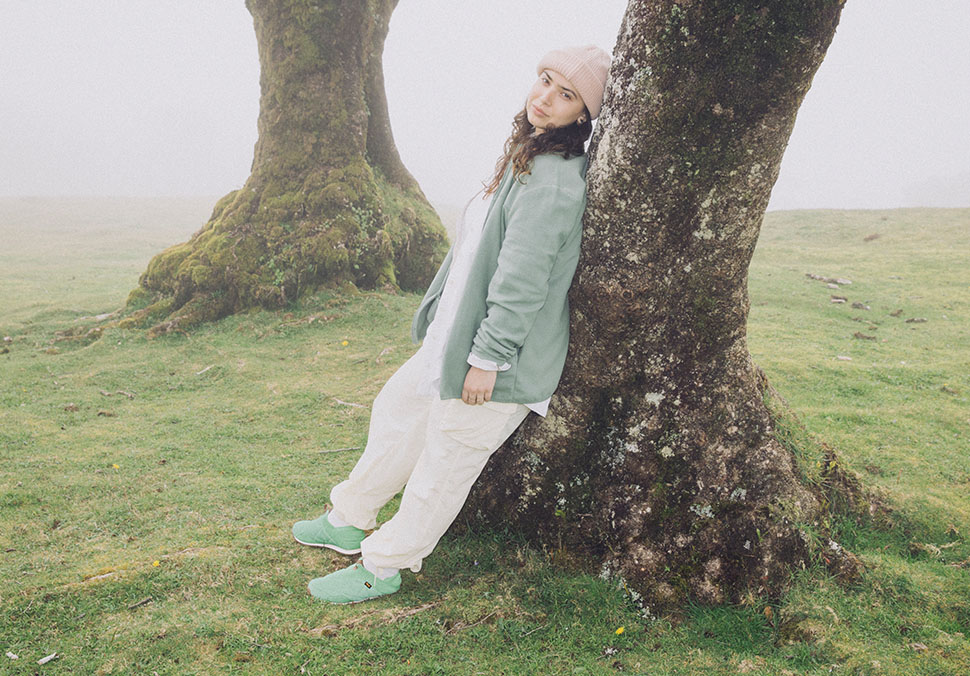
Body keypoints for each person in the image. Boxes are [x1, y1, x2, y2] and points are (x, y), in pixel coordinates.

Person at [292, 45, 612, 604]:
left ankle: (385, 566)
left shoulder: (555, 181)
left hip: (496, 360)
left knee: (446, 461)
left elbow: (523, 281)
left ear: (583, 115)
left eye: (567, 94)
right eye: (544, 80)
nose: (545, 97)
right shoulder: (526, 157)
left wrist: (489, 359)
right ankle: (350, 516)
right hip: (455, 341)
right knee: (398, 409)